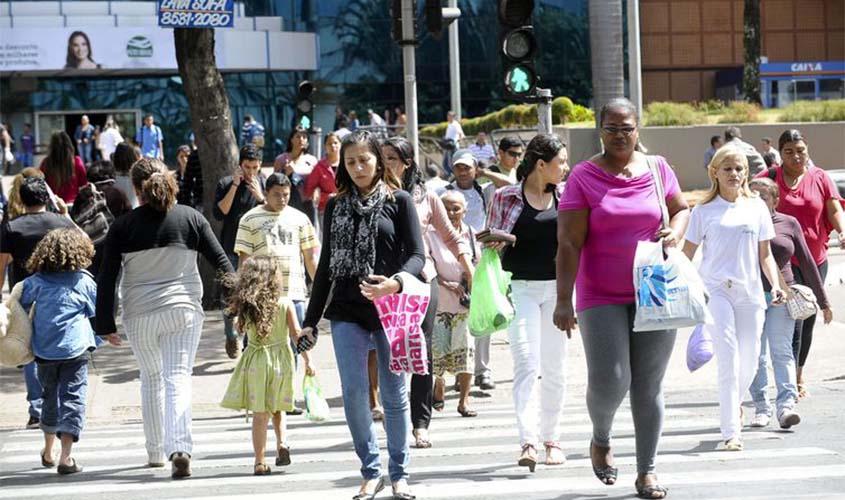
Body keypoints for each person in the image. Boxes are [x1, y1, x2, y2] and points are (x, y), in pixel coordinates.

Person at [555, 98, 690, 499]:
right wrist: (564, 299)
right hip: (600, 293)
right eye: (611, 128)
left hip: (653, 288)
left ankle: (647, 471)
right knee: (612, 379)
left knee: (648, 385)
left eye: (626, 127)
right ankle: (601, 437)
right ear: (600, 130)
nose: (619, 135)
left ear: (638, 129)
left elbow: (681, 209)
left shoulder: (657, 168)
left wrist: (677, 231)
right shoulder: (583, 176)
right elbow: (568, 242)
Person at [299, 130, 423, 500]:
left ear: (379, 161)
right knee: (354, 393)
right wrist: (310, 320)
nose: (357, 168)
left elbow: (418, 256)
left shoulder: (399, 201)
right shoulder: (336, 205)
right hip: (347, 310)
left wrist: (396, 283)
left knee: (394, 393)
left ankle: (399, 473)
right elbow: (324, 271)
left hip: (391, 307)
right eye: (350, 162)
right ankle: (370, 471)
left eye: (364, 160)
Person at [96, 158, 233, 478]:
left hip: (140, 314)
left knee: (152, 378)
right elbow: (223, 264)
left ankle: (155, 451)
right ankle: (180, 447)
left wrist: (104, 323)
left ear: (135, 187)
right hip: (183, 311)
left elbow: (107, 277)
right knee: (177, 378)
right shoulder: (191, 218)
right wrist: (241, 304)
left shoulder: (123, 226)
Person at [682, 146, 785, 453]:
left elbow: (764, 254)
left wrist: (776, 284)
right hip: (716, 292)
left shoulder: (756, 208)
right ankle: (731, 431)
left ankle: (734, 404)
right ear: (715, 172)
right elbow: (686, 256)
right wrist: (692, 289)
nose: (735, 174)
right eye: (727, 168)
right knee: (728, 359)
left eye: (739, 169)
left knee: (751, 360)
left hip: (750, 292)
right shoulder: (702, 211)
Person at [383, 136, 475, 449]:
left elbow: (451, 237)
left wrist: (468, 267)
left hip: (422, 280)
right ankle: (391, 412)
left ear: (407, 163)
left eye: (392, 159)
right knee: (389, 351)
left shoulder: (426, 198)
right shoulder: (372, 195)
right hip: (385, 283)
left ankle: (421, 424)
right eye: (382, 158)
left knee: (422, 352)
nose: (386, 165)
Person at [485, 133, 570, 471]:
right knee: (526, 364)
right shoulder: (506, 197)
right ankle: (528, 441)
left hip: (558, 292)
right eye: (560, 162)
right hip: (519, 288)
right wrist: (499, 240)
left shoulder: (566, 197)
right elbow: (489, 243)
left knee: (555, 368)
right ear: (540, 165)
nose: (564, 168)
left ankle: (552, 439)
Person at [756, 129, 845, 399]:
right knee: (789, 321)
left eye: (801, 150)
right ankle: (788, 378)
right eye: (789, 152)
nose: (796, 156)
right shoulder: (769, 178)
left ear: (808, 150)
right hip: (781, 261)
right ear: (780, 154)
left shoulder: (820, 177)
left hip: (814, 258)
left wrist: (842, 230)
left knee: (806, 318)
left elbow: (834, 208)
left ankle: (798, 373)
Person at [23, 228, 119, 474]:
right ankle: (66, 457)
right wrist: (107, 333)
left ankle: (48, 450)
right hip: (75, 350)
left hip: (44, 351)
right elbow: (97, 312)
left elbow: (19, 309)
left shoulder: (35, 282)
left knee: (49, 397)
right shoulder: (84, 281)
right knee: (73, 399)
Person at [747, 177, 831, 430]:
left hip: (781, 296)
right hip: (749, 297)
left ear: (775, 199)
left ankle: (786, 407)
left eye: (762, 196)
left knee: (782, 350)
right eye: (752, 196)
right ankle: (761, 408)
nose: (757, 201)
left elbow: (807, 261)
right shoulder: (742, 224)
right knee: (756, 355)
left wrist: (824, 301)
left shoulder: (788, 223)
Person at [0, 177, 76, 430]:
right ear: (46, 198)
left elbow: (1, 266)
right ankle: (58, 405)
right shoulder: (61, 223)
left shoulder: (12, 227)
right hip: (59, 293)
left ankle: (37, 407)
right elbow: (84, 247)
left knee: (28, 350)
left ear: (22, 199)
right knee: (58, 348)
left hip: (25, 295)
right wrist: (65, 213)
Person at [220, 257, 302, 475]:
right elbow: (296, 335)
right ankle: (282, 443)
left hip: (256, 361)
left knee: (260, 414)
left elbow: (240, 330)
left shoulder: (249, 307)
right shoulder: (285, 304)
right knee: (279, 406)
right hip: (281, 362)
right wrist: (310, 360)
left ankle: (259, 461)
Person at [438, 150, 496, 390]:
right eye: (458, 167)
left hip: (479, 258)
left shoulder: (485, 190)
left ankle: (482, 371)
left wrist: (484, 172)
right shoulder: (442, 192)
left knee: (481, 317)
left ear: (475, 169)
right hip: (449, 260)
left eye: (467, 167)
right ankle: (458, 373)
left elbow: (512, 183)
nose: (462, 172)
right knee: (452, 318)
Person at [428, 191, 478, 421]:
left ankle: (464, 400)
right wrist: (446, 283)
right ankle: (439, 385)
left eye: (456, 208)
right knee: (438, 352)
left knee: (466, 351)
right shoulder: (430, 235)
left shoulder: (472, 235)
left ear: (465, 210)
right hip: (439, 303)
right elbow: (426, 266)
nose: (451, 213)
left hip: (465, 304)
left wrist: (468, 282)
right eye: (446, 208)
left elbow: (478, 264)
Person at [215, 144, 266, 358]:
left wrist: (261, 197)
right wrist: (235, 186)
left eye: (255, 167)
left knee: (252, 296)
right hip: (230, 246)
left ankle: (247, 342)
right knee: (230, 296)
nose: (251, 172)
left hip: (256, 249)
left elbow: (273, 211)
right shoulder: (226, 183)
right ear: (239, 166)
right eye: (247, 167)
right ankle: (230, 333)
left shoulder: (262, 183)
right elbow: (221, 212)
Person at [273, 126, 318, 218]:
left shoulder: (312, 160)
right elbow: (274, 183)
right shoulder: (281, 159)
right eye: (298, 136)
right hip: (287, 203)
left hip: (308, 203)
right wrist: (286, 173)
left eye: (304, 137)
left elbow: (317, 181)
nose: (301, 139)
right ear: (291, 139)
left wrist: (317, 191)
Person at [40, 131, 88, 205]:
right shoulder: (77, 162)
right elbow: (84, 186)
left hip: (53, 206)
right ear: (69, 145)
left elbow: (41, 185)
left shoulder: (45, 163)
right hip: (74, 205)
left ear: (52, 147)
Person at [304, 132, 341, 229]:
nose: (333, 146)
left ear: (340, 144)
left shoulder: (346, 164)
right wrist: (324, 196)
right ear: (325, 146)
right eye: (329, 143)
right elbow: (309, 190)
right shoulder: (319, 166)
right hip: (325, 209)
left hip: (346, 208)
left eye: (335, 143)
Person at [111, 142, 140, 208]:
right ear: (132, 156)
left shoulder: (111, 178)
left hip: (118, 214)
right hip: (136, 211)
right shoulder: (138, 177)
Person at [174, 145, 202, 209]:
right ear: (177, 158)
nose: (184, 159)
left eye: (187, 156)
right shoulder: (175, 176)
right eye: (181, 156)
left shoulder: (196, 176)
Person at [442, 111, 465, 176]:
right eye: (448, 116)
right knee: (445, 163)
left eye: (450, 116)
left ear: (453, 117)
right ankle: (450, 175)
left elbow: (461, 134)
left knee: (451, 163)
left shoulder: (456, 124)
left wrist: (457, 142)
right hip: (447, 145)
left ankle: (453, 175)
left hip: (453, 146)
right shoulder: (449, 124)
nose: (448, 117)